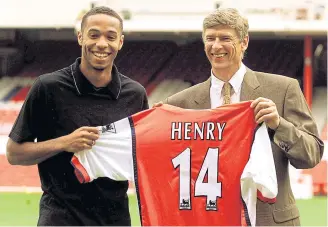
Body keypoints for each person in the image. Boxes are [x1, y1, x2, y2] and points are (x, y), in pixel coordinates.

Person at [156, 8, 324, 226]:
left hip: (267, 220)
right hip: (207, 219)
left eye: (225, 38)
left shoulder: (282, 89)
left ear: (244, 42)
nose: (216, 46)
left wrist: (278, 125)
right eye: (210, 38)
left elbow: (311, 155)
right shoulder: (179, 103)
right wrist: (157, 124)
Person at [6, 6, 148, 226]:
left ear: (120, 42)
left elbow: (141, 156)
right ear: (80, 37)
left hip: (115, 219)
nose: (102, 43)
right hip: (60, 218)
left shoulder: (135, 95)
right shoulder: (48, 88)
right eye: (94, 35)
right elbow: (14, 154)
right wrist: (65, 143)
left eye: (110, 37)